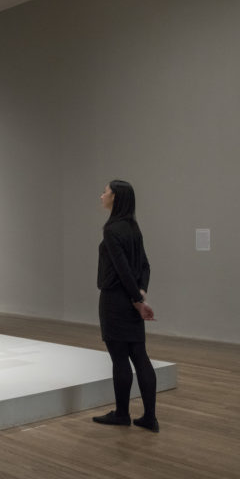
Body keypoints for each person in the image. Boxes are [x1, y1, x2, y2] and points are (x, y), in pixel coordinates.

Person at [92, 180, 159, 432]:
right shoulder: (133, 228)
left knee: (120, 359)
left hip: (115, 301)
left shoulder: (112, 230)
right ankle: (149, 417)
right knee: (140, 356)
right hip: (131, 300)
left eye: (105, 192)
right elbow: (144, 266)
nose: (101, 195)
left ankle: (122, 414)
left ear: (115, 198)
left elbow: (121, 270)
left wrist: (136, 300)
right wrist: (141, 293)